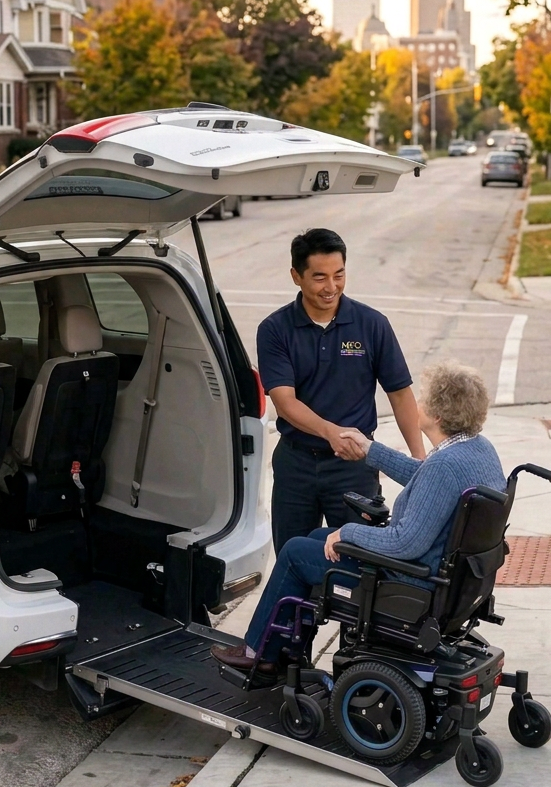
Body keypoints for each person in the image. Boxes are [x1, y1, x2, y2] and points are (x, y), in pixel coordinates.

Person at [211, 361, 506, 674]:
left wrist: (348, 533)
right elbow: (425, 477)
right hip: (451, 578)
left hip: (409, 580)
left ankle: (260, 652)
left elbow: (405, 543)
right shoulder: (476, 450)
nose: (417, 403)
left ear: (436, 414)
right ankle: (287, 650)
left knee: (296, 552)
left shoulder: (445, 465)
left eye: (422, 399)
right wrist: (370, 450)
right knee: (314, 540)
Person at [257, 228, 425, 554]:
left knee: (356, 563)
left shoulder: (372, 325)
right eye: (319, 277)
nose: (331, 287)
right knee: (293, 555)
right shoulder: (275, 330)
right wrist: (332, 433)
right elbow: (284, 402)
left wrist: (418, 460)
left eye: (339, 274)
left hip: (355, 467)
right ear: (296, 276)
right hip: (296, 465)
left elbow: (400, 394)